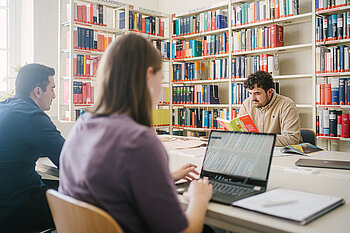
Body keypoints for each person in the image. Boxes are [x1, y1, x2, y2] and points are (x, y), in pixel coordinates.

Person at [59, 33, 213, 233]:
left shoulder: (82, 125)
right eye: (162, 78)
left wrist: (165, 178)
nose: (161, 87)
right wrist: (198, 199)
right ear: (149, 75)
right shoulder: (139, 141)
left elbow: (110, 184)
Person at [0, 64, 65, 232]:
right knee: (82, 202)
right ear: (37, 91)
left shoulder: (5, 107)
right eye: (52, 89)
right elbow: (68, 160)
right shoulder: (32, 116)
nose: (54, 95)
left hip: (7, 201)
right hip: (15, 208)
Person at [239, 70, 302, 147]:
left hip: (280, 154)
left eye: (257, 93)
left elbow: (292, 139)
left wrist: (259, 140)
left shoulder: (287, 105)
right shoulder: (247, 104)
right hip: (254, 150)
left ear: (270, 92)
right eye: (250, 93)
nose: (252, 98)